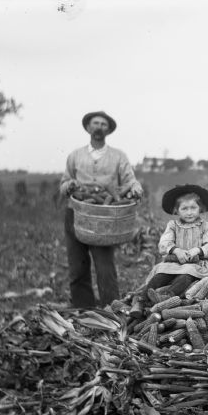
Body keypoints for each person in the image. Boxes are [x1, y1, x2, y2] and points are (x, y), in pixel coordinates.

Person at [59, 110, 143, 308]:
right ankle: (82, 308)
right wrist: (69, 186)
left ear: (108, 130)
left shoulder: (118, 156)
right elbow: (63, 184)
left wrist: (136, 189)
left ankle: (111, 309)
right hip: (76, 213)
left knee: (105, 268)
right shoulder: (75, 156)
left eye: (103, 124)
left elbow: (131, 181)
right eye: (95, 123)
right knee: (77, 266)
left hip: (104, 217)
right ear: (88, 128)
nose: (98, 127)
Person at [144, 184, 208, 298]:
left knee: (185, 277)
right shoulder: (173, 226)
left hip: (196, 264)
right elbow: (164, 244)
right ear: (177, 211)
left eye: (193, 208)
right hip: (174, 262)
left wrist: (197, 250)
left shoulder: (206, 226)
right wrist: (176, 250)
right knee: (159, 275)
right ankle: (142, 299)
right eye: (184, 209)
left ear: (200, 208)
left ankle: (167, 297)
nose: (189, 212)